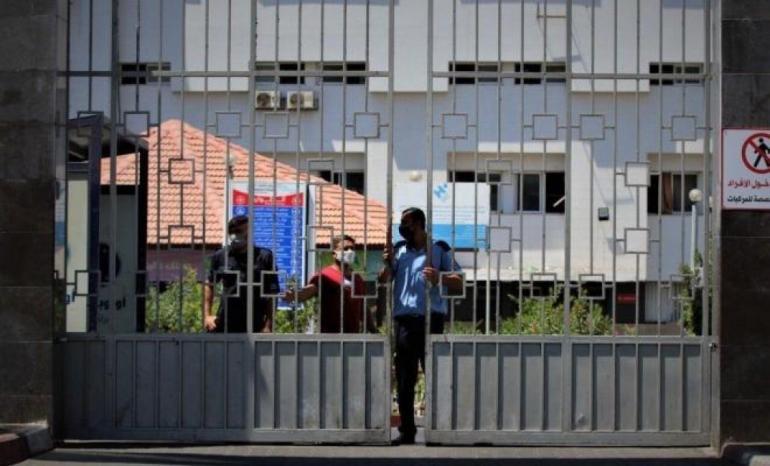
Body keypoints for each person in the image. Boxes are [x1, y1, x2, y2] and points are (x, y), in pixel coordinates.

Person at [378, 207, 463, 445]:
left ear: (418, 224)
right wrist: (387, 263)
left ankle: (438, 430)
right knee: (405, 377)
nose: (402, 228)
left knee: (434, 375)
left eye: (406, 223)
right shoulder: (399, 250)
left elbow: (459, 280)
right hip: (405, 321)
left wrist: (440, 277)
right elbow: (383, 279)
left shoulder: (439, 250)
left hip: (431, 319)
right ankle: (407, 430)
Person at [203, 215, 280, 333]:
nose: (235, 235)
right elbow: (209, 284)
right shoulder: (221, 256)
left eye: (239, 231)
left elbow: (272, 293)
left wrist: (268, 324)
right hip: (225, 323)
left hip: (255, 323)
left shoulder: (264, 257)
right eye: (232, 231)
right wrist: (207, 315)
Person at [283, 234, 368, 333]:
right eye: (345, 249)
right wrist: (294, 294)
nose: (350, 252)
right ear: (334, 253)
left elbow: (363, 307)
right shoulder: (325, 275)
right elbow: (309, 291)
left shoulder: (357, 278)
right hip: (330, 338)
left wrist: (373, 329)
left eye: (352, 248)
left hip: (353, 337)